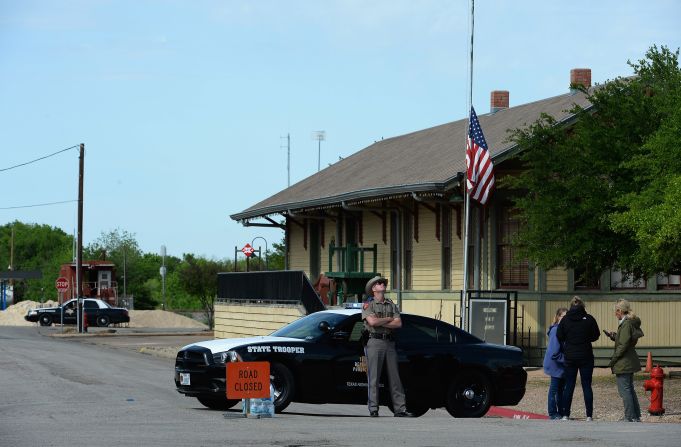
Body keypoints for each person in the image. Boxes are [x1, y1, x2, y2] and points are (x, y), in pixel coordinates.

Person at [362, 275, 413, 418]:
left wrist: (381, 321)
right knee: (374, 377)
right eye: (379, 283)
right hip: (374, 342)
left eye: (383, 283)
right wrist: (389, 319)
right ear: (373, 288)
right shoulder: (368, 304)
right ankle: (373, 408)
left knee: (395, 377)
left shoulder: (391, 304)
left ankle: (400, 409)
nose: (382, 284)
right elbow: (371, 322)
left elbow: (398, 323)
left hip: (389, 342)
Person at [556, 296, 600, 421]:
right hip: (586, 355)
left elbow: (559, 335)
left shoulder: (565, 320)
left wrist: (569, 340)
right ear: (583, 305)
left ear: (571, 306)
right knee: (586, 385)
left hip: (570, 356)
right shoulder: (589, 319)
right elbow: (595, 335)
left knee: (569, 385)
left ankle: (565, 414)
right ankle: (589, 415)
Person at [604, 299, 644, 422]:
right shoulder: (628, 322)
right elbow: (625, 340)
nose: (614, 314)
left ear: (620, 311)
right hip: (629, 360)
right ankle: (635, 416)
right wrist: (614, 336)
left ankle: (629, 416)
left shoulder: (626, 324)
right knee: (629, 389)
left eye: (615, 311)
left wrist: (613, 359)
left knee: (625, 391)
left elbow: (623, 345)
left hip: (624, 362)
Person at [543, 307, 568, 419]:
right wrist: (567, 359)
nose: (565, 319)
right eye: (563, 316)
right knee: (554, 389)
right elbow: (554, 352)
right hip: (555, 364)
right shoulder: (555, 330)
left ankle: (562, 412)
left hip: (561, 364)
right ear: (558, 317)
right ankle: (553, 413)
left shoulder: (564, 330)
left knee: (560, 390)